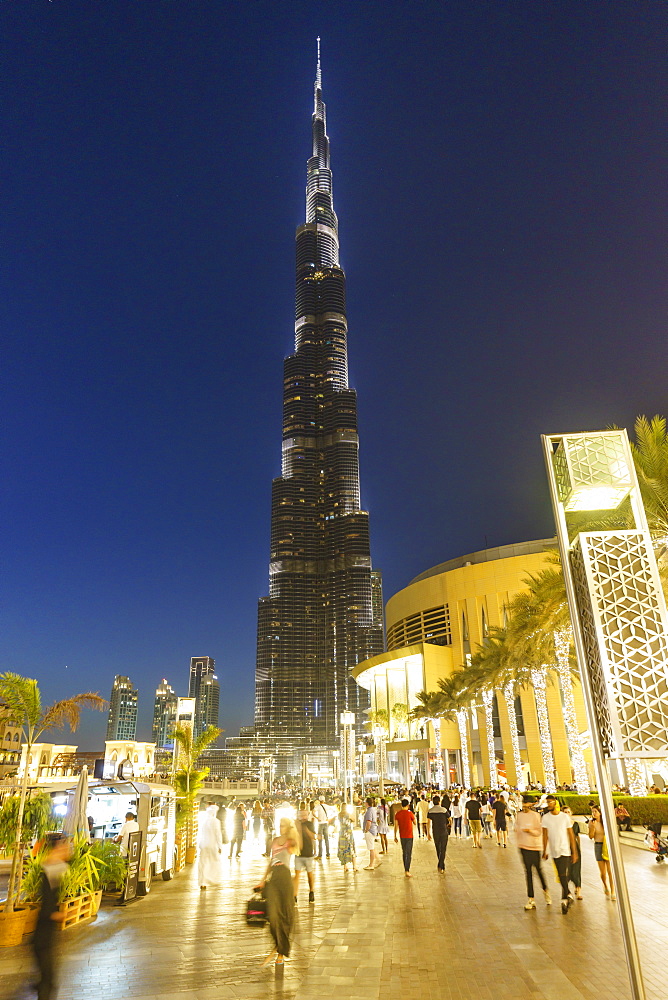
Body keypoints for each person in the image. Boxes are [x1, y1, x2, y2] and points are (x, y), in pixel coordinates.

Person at [31, 833, 72, 1000]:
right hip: (43, 933)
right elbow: (46, 903)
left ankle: (42, 986)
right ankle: (43, 989)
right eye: (64, 848)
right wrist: (55, 914)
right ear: (57, 850)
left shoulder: (56, 868)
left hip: (45, 933)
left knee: (48, 975)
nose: (68, 851)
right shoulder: (49, 870)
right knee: (48, 976)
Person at [258, 816, 300, 966]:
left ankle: (280, 952)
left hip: (285, 876)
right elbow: (271, 861)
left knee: (284, 914)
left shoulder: (291, 841)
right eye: (280, 825)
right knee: (273, 915)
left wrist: (294, 828)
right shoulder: (274, 841)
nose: (280, 827)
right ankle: (278, 945)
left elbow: (297, 845)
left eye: (283, 825)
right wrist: (263, 879)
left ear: (287, 827)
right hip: (274, 877)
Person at [541, 795, 578, 913]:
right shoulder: (545, 818)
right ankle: (568, 896)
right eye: (547, 802)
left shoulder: (564, 817)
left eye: (550, 802)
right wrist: (544, 850)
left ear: (555, 803)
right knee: (561, 875)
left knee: (562, 873)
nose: (548, 804)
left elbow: (571, 835)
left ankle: (564, 898)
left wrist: (574, 851)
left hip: (565, 849)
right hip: (554, 850)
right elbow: (545, 835)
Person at [515, 794, 551, 910]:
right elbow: (517, 827)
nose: (524, 806)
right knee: (528, 872)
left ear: (531, 805)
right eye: (523, 803)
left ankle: (546, 891)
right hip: (523, 847)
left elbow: (539, 832)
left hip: (534, 847)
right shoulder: (519, 815)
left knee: (538, 870)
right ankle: (531, 898)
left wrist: (529, 830)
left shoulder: (535, 816)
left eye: (526, 803)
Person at [589, 805, 615, 900]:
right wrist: (593, 828)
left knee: (610, 871)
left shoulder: (606, 822)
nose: (594, 813)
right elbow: (591, 836)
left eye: (595, 811)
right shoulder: (592, 823)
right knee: (603, 872)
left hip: (607, 846)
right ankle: (605, 885)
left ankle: (613, 890)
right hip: (598, 845)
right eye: (592, 812)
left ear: (600, 812)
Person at [294, 802, 316, 903]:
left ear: (307, 815)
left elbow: (313, 837)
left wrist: (306, 830)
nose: (302, 817)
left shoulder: (310, 824)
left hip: (307, 853)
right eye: (300, 815)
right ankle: (294, 895)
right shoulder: (295, 824)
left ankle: (311, 891)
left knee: (309, 874)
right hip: (298, 853)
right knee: (297, 875)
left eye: (304, 815)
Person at [197, 802, 222, 890]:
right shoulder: (216, 821)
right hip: (212, 845)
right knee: (213, 862)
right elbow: (218, 834)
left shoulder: (203, 820)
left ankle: (202, 882)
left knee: (203, 863)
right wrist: (220, 846)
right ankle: (212, 879)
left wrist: (199, 844)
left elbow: (199, 833)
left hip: (204, 845)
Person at [394, 797, 417, 877]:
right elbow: (415, 823)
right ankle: (407, 870)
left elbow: (396, 826)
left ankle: (405, 869)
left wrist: (395, 836)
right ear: (408, 805)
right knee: (409, 853)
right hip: (409, 836)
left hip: (402, 836)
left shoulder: (398, 814)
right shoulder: (410, 813)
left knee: (404, 852)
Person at [427, 794, 450, 874]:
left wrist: (428, 833)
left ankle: (441, 865)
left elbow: (428, 823)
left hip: (435, 831)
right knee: (443, 848)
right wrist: (448, 825)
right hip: (443, 831)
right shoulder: (444, 810)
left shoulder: (430, 811)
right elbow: (450, 819)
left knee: (438, 848)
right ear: (439, 802)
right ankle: (441, 865)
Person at [563, 806, 582, 900]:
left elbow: (577, 836)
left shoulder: (575, 824)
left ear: (571, 813)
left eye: (568, 812)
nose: (567, 814)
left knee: (577, 870)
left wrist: (579, 849)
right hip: (565, 848)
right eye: (565, 812)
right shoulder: (561, 825)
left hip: (575, 848)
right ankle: (567, 891)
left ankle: (578, 890)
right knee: (567, 870)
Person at [337, 805, 358, 873]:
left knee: (343, 849)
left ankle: (345, 866)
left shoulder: (339, 815)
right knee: (351, 848)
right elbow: (354, 819)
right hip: (348, 833)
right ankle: (354, 866)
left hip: (342, 833)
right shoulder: (348, 815)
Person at [363, 796, 380, 870]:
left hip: (370, 831)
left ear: (367, 803)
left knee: (371, 848)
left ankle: (371, 864)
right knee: (372, 847)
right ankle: (378, 860)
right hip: (374, 829)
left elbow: (368, 821)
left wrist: (366, 830)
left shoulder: (369, 811)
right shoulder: (373, 809)